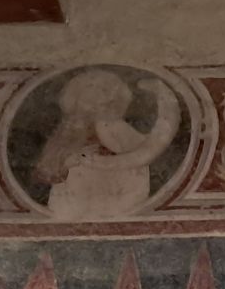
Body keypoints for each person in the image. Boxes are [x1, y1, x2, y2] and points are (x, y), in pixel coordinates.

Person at [30, 68, 180, 220]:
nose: (94, 98)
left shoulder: (114, 127)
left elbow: (144, 153)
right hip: (72, 202)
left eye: (103, 91)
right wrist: (68, 163)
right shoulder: (67, 132)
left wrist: (104, 161)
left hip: (114, 196)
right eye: (89, 90)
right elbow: (46, 171)